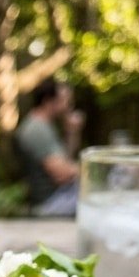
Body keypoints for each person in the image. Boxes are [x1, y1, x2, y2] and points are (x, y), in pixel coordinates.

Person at [15, 78, 84, 216]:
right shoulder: (37, 130)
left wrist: (72, 132)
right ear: (48, 101)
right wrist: (95, 170)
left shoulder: (45, 125)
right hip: (50, 203)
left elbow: (65, 160)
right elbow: (63, 175)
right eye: (65, 100)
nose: (68, 106)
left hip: (59, 195)